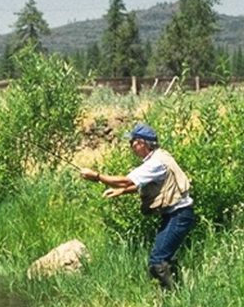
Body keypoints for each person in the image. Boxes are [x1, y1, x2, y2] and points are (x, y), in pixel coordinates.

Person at [79, 122, 196, 288]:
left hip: (178, 215)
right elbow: (146, 184)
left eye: (132, 142)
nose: (131, 147)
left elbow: (126, 180)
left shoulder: (155, 163)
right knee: (165, 258)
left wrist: (96, 176)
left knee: (158, 262)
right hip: (178, 213)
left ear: (141, 143)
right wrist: (122, 191)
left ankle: (173, 297)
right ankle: (178, 292)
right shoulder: (161, 156)